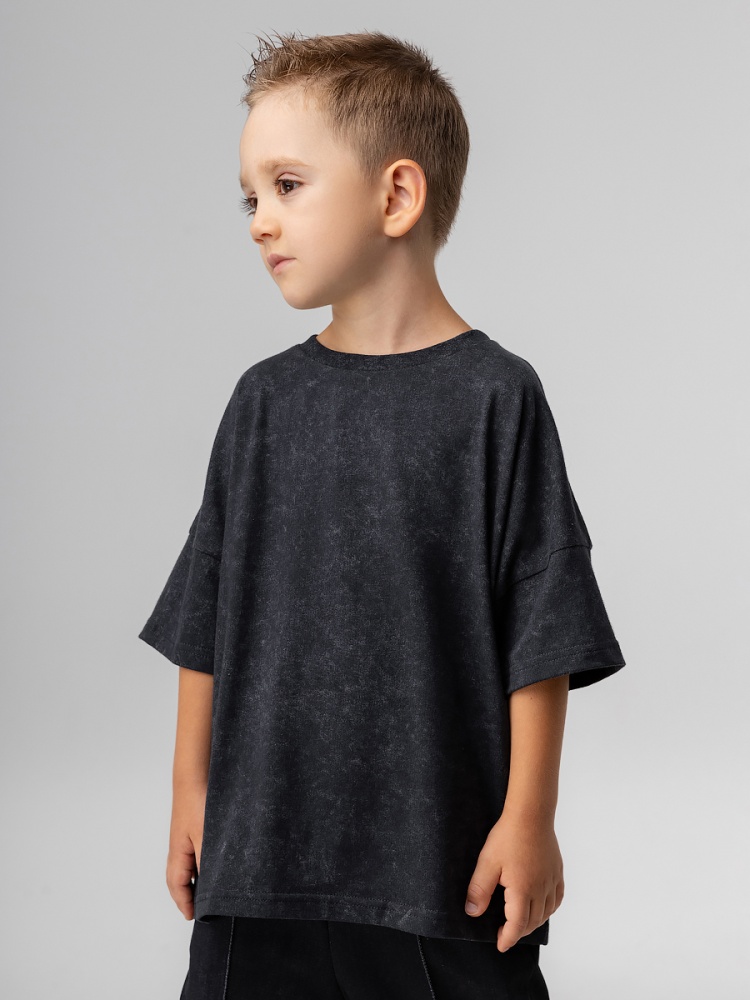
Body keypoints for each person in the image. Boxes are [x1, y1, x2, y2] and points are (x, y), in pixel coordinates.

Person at [138, 29, 626, 1000]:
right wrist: (190, 791)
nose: (259, 222)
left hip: (439, 876)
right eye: (250, 197)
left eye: (286, 185)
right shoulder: (263, 402)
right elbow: (207, 612)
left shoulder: (496, 399)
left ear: (397, 195)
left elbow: (541, 628)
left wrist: (530, 817)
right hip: (258, 868)